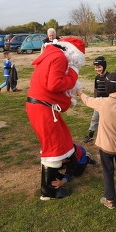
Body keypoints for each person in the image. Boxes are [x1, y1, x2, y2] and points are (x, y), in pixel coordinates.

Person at [26, 37, 85, 200]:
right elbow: (54, 84)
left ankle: (52, 182)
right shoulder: (59, 58)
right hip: (43, 108)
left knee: (55, 144)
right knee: (54, 147)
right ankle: (48, 191)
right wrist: (73, 74)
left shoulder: (51, 55)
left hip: (41, 107)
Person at [77, 72, 116, 209]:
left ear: (106, 86)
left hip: (106, 147)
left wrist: (79, 93)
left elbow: (87, 100)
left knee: (107, 172)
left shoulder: (102, 103)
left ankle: (110, 199)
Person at [81, 56, 109, 143]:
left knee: (106, 120)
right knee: (95, 118)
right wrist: (94, 99)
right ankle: (90, 135)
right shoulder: (97, 78)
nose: (97, 69)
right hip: (98, 102)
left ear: (104, 66)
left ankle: (107, 137)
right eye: (96, 67)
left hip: (107, 103)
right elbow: (96, 89)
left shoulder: (109, 77)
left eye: (99, 67)